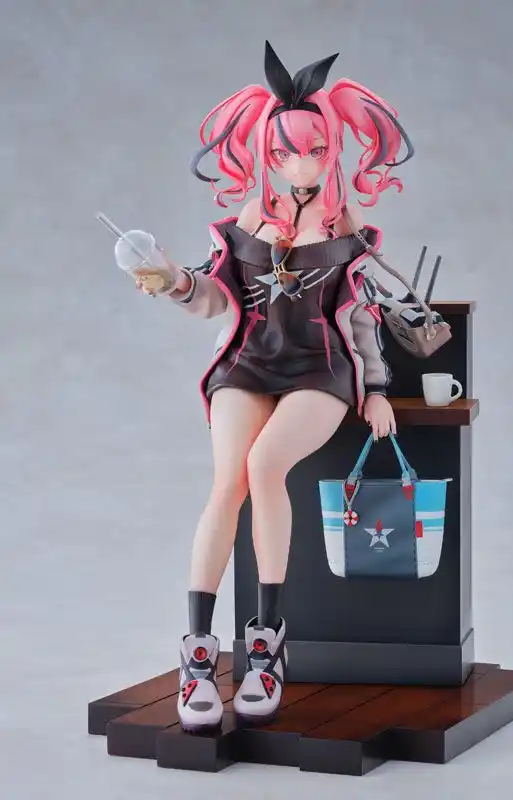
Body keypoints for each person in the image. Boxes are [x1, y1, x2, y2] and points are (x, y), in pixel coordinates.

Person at [129, 40, 414, 731]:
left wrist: (377, 386)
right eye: (285, 152)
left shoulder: (344, 227)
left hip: (321, 367)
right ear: (266, 153)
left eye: (313, 150)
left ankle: (266, 643)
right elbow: (211, 297)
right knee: (227, 480)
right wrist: (170, 279)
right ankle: (199, 651)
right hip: (249, 363)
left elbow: (361, 314)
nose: (300, 164)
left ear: (333, 148)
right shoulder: (249, 220)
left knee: (264, 468)